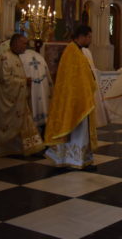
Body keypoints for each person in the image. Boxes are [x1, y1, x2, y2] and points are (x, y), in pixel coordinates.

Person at [0, 34, 44, 156]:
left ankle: (27, 147)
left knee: (24, 121)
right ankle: (18, 147)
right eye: (24, 43)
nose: (26, 46)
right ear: (15, 43)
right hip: (9, 99)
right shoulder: (6, 58)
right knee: (16, 122)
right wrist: (24, 82)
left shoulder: (15, 57)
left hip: (18, 99)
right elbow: (5, 81)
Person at [45, 25, 98, 169]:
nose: (90, 40)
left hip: (82, 99)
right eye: (89, 37)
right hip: (76, 100)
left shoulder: (77, 51)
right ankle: (74, 160)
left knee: (81, 132)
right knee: (77, 132)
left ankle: (80, 159)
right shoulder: (71, 52)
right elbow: (71, 80)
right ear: (82, 36)